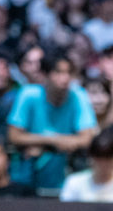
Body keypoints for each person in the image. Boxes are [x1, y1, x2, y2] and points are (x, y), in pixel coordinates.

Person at [7, 49, 98, 192]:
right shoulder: (28, 94)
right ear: (45, 75)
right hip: (28, 172)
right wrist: (54, 141)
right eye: (58, 72)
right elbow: (14, 136)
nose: (65, 78)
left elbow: (86, 138)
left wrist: (40, 143)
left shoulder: (78, 95)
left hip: (65, 170)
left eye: (68, 73)